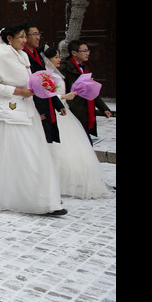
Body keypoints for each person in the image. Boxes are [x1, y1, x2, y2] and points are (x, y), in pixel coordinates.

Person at [0, 24, 65, 216]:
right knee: (20, 155)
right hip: (9, 111)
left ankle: (39, 196)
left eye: (24, 37)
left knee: (33, 153)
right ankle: (28, 198)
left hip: (26, 110)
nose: (24, 40)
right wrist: (18, 91)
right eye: (20, 37)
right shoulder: (1, 54)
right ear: (9, 38)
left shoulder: (22, 55)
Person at [43, 47, 111, 199]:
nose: (58, 59)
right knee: (58, 148)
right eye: (55, 57)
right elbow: (48, 95)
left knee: (74, 147)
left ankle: (72, 181)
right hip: (56, 111)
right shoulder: (45, 76)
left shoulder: (58, 74)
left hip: (65, 113)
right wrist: (64, 97)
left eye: (59, 56)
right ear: (47, 59)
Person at [59, 40, 113, 145]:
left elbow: (91, 91)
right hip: (72, 111)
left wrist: (104, 108)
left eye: (88, 50)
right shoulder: (65, 68)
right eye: (84, 51)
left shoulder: (85, 68)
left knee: (85, 142)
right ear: (74, 53)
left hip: (85, 111)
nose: (88, 53)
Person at [23, 24, 64, 144]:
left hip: (46, 102)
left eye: (38, 34)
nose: (38, 37)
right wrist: (38, 110)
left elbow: (45, 83)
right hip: (34, 103)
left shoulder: (38, 55)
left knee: (47, 140)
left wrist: (58, 104)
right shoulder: (23, 55)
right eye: (34, 34)